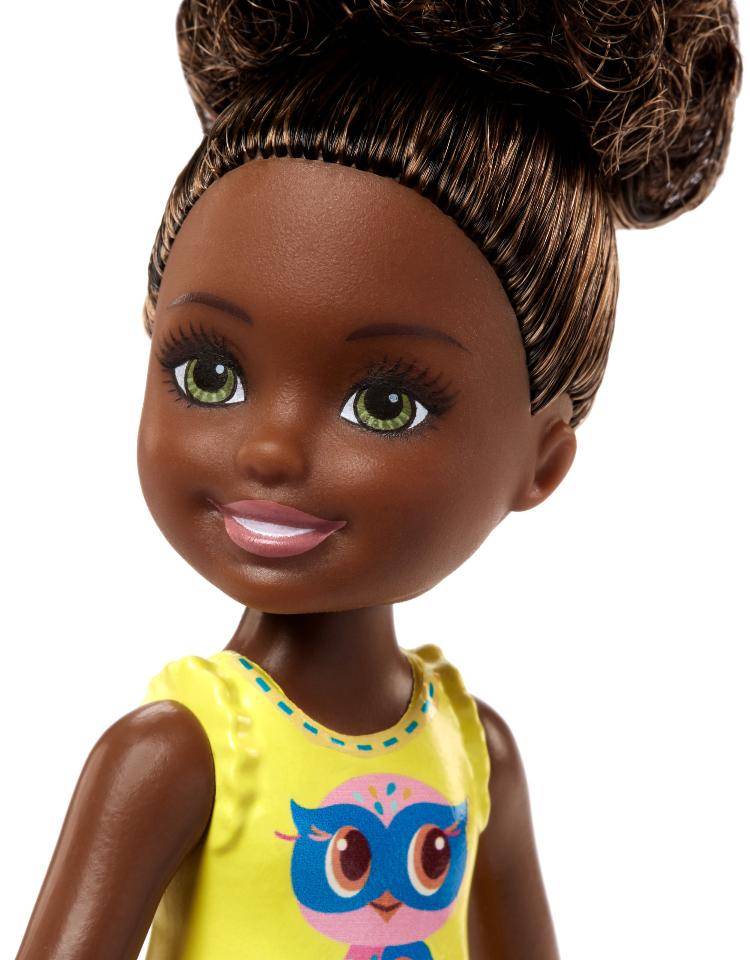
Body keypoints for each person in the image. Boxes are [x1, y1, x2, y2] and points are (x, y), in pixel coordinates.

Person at [17, 1, 741, 958]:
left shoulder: (477, 756)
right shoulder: (174, 756)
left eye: (385, 405)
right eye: (210, 374)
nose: (270, 452)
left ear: (544, 460)